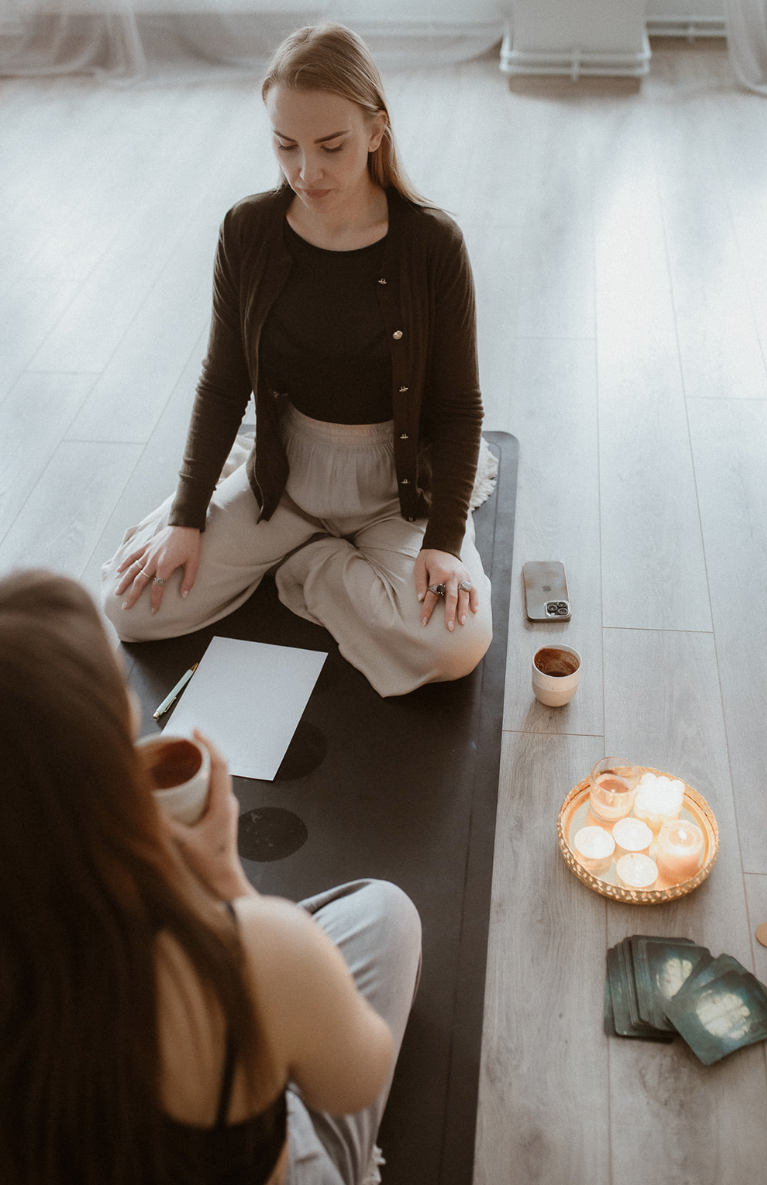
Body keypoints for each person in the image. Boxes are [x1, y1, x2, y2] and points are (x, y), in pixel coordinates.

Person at [100, 23, 493, 698]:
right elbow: (223, 383)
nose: (305, 171)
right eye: (285, 145)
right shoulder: (246, 231)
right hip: (284, 472)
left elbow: (458, 410)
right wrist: (187, 518)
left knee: (456, 643)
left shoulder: (432, 244)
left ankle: (309, 567)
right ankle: (277, 535)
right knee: (129, 607)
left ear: (376, 130)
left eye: (330, 146)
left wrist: (444, 543)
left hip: (395, 489)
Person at [0, 569, 421, 1185]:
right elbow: (356, 1079)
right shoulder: (256, 954)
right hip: (252, 1114)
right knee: (387, 913)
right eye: (117, 685)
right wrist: (229, 885)